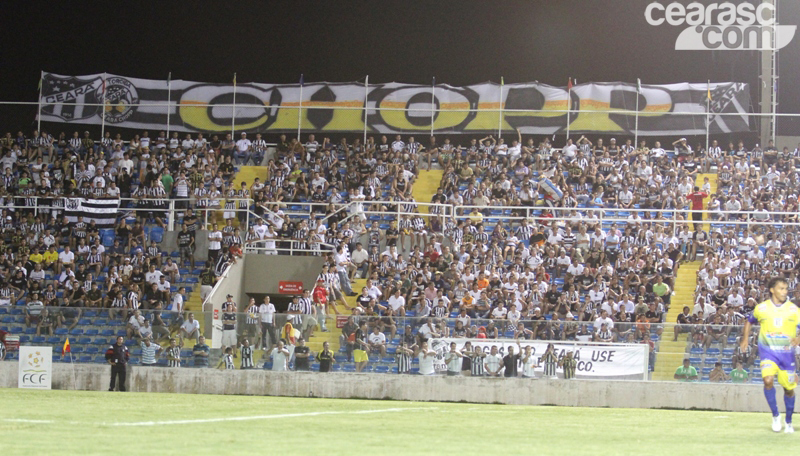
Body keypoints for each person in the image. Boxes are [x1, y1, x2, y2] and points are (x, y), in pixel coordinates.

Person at [741, 277, 799, 433]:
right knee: (767, 380)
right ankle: (775, 416)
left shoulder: (794, 309)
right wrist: (745, 338)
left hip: (787, 357)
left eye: (786, 289)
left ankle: (788, 421)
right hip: (768, 354)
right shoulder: (762, 308)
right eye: (781, 288)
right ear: (772, 290)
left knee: (789, 389)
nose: (785, 291)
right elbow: (749, 321)